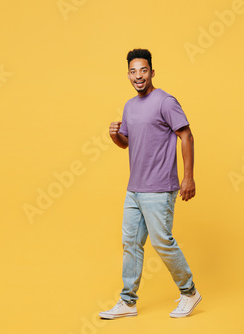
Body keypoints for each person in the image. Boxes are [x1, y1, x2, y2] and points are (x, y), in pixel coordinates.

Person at [99, 49, 201, 319]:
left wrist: (188, 177)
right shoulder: (130, 106)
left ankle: (189, 292)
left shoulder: (165, 101)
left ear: (152, 72)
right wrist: (113, 136)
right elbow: (126, 142)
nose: (138, 76)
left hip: (159, 188)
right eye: (133, 71)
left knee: (162, 242)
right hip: (134, 189)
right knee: (130, 243)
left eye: (143, 70)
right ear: (129, 75)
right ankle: (128, 302)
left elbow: (187, 136)